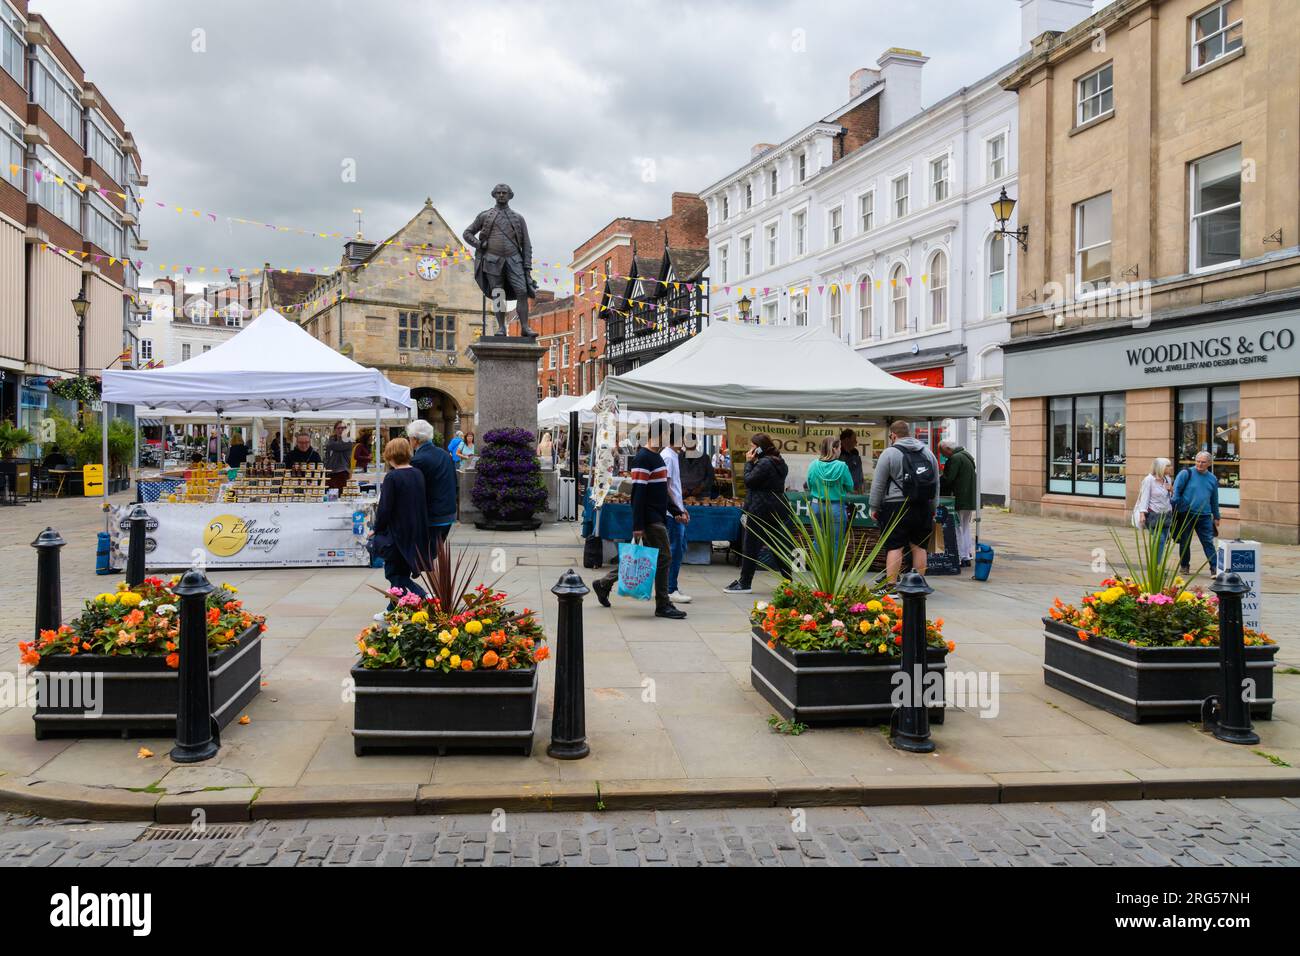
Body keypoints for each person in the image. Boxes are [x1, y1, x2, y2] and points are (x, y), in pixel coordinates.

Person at [592, 430, 687, 619]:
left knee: (643, 559)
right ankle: (663, 604)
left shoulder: (657, 458)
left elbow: (660, 492)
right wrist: (638, 525)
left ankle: (604, 583)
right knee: (664, 558)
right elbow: (638, 494)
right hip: (650, 518)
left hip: (657, 515)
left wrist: (677, 511)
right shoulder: (643, 458)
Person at [870, 420, 940, 583]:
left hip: (896, 506)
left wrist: (874, 506)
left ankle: (891, 586)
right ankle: (918, 586)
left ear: (893, 435)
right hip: (923, 505)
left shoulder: (889, 453)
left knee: (895, 546)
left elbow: (878, 483)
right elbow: (936, 483)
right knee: (919, 546)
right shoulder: (928, 453)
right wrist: (933, 507)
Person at [725, 434, 792, 593]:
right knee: (776, 545)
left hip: (759, 509)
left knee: (750, 546)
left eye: (752, 446)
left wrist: (749, 463)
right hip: (775, 508)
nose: (750, 449)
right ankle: (788, 580)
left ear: (760, 447)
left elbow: (749, 481)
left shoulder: (764, 463)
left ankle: (745, 583)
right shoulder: (779, 462)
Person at [371, 438, 429, 616]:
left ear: (390, 455)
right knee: (400, 570)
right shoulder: (418, 473)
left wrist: (377, 528)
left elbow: (385, 508)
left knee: (395, 573)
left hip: (397, 532)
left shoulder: (392, 477)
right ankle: (394, 608)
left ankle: (423, 597)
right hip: (415, 529)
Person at [407, 419, 457, 558]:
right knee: (432, 554)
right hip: (449, 512)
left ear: (415, 440)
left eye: (410, 438)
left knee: (424, 557)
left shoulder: (418, 460)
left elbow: (414, 491)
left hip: (433, 515)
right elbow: (455, 482)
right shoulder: (445, 454)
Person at [806, 436, 855, 561]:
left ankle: (818, 571)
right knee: (836, 542)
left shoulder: (813, 465)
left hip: (816, 506)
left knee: (818, 540)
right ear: (834, 449)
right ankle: (831, 574)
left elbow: (809, 485)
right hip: (835, 507)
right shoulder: (842, 466)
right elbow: (850, 486)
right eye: (839, 448)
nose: (840, 450)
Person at [1172, 450, 1220, 574]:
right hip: (1186, 514)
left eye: (1203, 462)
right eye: (1198, 461)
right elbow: (1175, 493)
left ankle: (1214, 567)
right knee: (1185, 541)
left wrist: (1216, 515)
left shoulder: (1212, 478)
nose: (1200, 464)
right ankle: (1184, 565)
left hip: (1204, 515)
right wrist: (1180, 507)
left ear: (1209, 463)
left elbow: (1214, 498)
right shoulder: (1185, 473)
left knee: (1208, 542)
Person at [659, 426, 692, 605]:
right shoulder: (668, 456)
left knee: (678, 548)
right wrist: (677, 510)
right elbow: (667, 487)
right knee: (675, 550)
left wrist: (682, 507)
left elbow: (673, 488)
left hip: (675, 510)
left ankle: (671, 586)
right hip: (671, 514)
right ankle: (670, 588)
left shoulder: (672, 455)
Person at [938, 439, 977, 567]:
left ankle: (959, 556)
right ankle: (966, 555)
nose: (943, 456)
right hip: (969, 498)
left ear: (948, 449)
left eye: (943, 452)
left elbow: (949, 479)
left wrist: (938, 482)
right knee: (965, 527)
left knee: (957, 528)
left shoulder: (955, 458)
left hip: (958, 498)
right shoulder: (967, 456)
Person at [1135, 456, 1174, 559]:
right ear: (1161, 467)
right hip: (1153, 515)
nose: (1171, 467)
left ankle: (1158, 564)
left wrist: (1171, 490)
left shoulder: (1168, 479)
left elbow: (1169, 498)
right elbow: (1144, 497)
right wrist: (1142, 514)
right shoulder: (1149, 480)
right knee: (1159, 539)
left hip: (1166, 515)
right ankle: (1155, 566)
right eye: (1168, 466)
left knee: (1164, 540)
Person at [324, 421, 353, 490]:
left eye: (343, 428)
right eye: (338, 428)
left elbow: (336, 446)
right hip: (330, 472)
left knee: (341, 496)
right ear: (335, 430)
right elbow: (327, 456)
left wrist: (330, 441)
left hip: (342, 473)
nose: (341, 430)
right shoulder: (332, 441)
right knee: (329, 496)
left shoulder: (348, 441)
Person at [839, 428, 866, 494]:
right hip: (843, 493)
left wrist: (861, 485)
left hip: (857, 492)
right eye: (854, 439)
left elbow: (859, 472)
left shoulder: (855, 453)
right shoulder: (838, 455)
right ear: (847, 440)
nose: (856, 442)